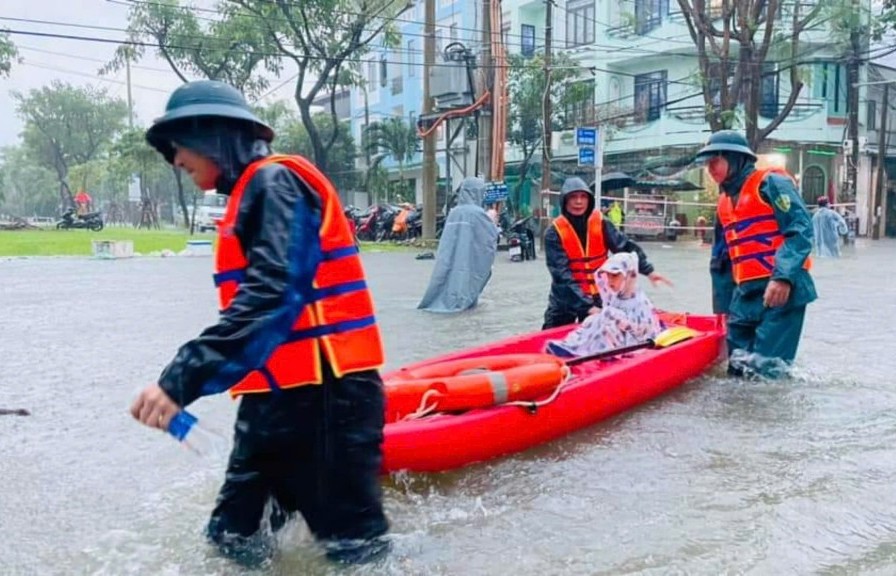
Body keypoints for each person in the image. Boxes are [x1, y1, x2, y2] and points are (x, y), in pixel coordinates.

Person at [128, 80, 389, 567]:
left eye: (179, 147)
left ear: (211, 137)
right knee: (234, 538)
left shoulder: (276, 184)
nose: (175, 161)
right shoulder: (252, 194)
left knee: (356, 550)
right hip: (277, 401)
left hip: (328, 399)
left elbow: (274, 294)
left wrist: (180, 379)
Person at [696, 130, 816, 378]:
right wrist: (723, 307)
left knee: (765, 371)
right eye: (707, 163)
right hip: (744, 295)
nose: (710, 168)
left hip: (782, 288)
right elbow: (721, 258)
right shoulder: (723, 203)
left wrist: (783, 277)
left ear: (735, 158)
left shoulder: (772, 183)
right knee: (737, 370)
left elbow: (801, 230)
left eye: (715, 160)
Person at [541, 176, 671, 329]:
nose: (579, 202)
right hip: (565, 298)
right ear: (565, 200)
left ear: (589, 200)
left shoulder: (601, 223)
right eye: (573, 197)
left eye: (583, 196)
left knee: (601, 339)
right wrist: (586, 306)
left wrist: (649, 271)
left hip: (598, 295)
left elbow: (625, 247)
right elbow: (561, 276)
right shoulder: (553, 233)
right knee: (551, 338)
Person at [545, 252, 662, 358]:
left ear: (629, 275)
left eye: (615, 276)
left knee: (607, 326)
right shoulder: (615, 297)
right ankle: (572, 345)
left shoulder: (639, 301)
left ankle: (593, 352)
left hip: (633, 340)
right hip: (618, 333)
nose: (610, 281)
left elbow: (644, 330)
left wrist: (618, 319)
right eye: (608, 276)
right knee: (591, 321)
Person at [418, 176, 498, 312]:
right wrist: (492, 222)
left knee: (448, 278)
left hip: (450, 256)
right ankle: (463, 302)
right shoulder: (478, 213)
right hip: (469, 257)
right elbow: (488, 239)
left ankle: (442, 300)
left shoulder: (454, 212)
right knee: (467, 280)